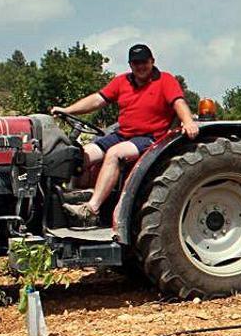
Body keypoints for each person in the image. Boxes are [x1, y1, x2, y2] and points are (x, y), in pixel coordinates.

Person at [53, 44, 198, 227]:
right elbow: (98, 99)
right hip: (122, 134)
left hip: (150, 138)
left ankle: (91, 209)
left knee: (115, 154)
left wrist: (188, 121)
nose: (141, 66)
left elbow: (178, 102)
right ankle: (68, 201)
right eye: (136, 63)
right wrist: (68, 110)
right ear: (130, 64)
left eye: (144, 62)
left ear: (152, 61)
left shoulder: (165, 80)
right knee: (79, 154)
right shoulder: (122, 82)